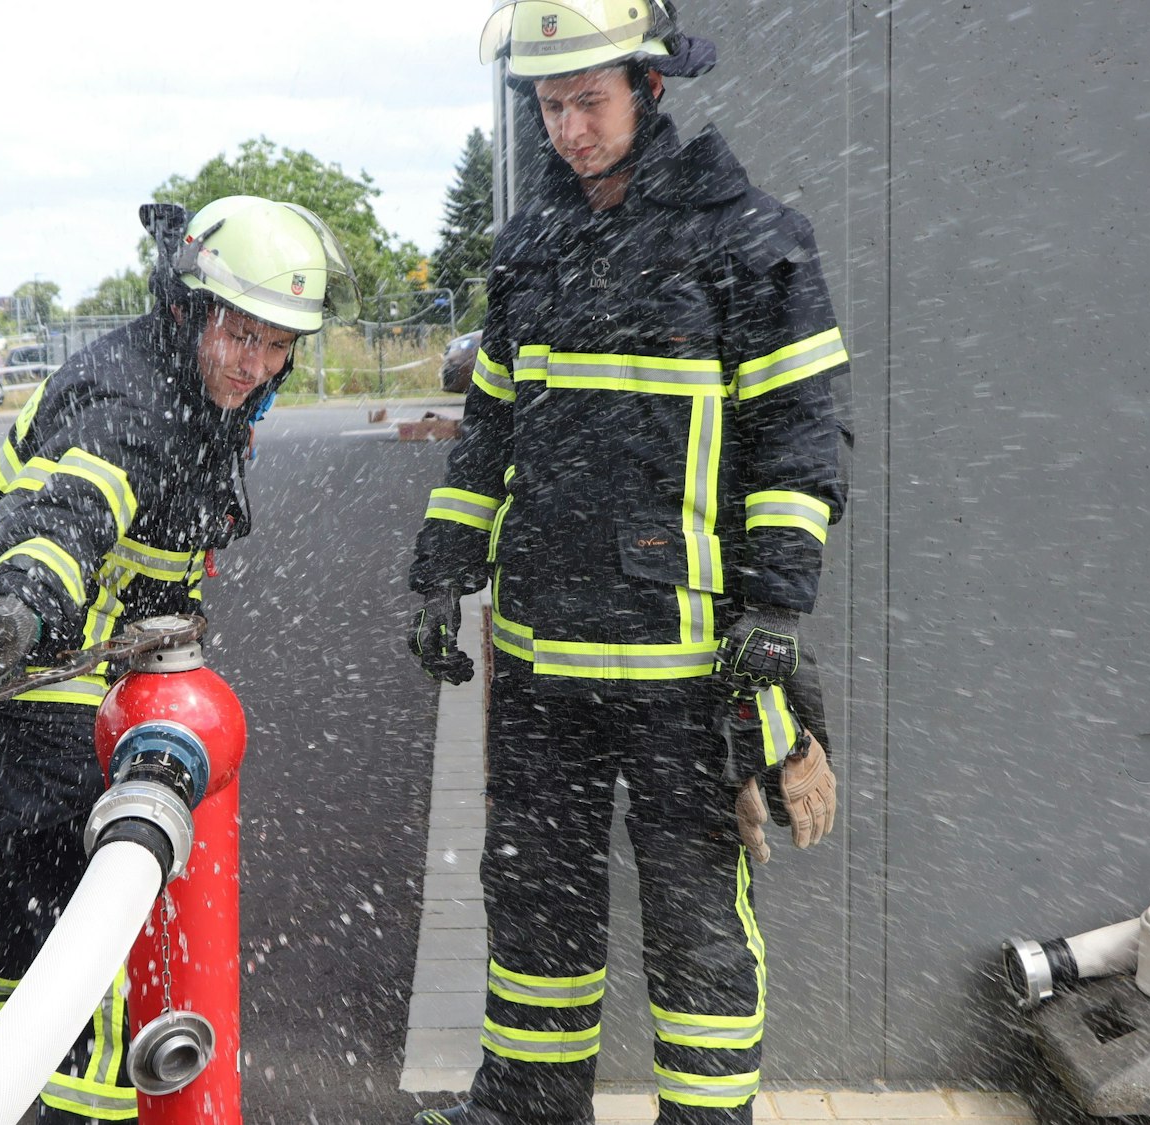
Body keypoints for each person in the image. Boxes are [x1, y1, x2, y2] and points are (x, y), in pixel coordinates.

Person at [406, 3, 846, 1123]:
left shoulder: (751, 242)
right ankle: (526, 1104)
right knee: (533, 896)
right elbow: (490, 432)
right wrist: (442, 566)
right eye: (549, 106)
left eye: (587, 101)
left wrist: (775, 613)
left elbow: (798, 443)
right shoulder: (530, 249)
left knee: (695, 914)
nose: (567, 129)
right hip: (541, 660)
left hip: (682, 666)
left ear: (648, 90)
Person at [0, 195, 357, 1123]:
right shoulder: (129, 401)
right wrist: (24, 607)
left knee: (25, 867)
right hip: (22, 653)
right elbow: (68, 512)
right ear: (193, 309)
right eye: (242, 334)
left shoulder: (201, 385)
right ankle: (90, 1103)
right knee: (108, 883)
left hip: (75, 656)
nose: (257, 363)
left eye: (279, 343)